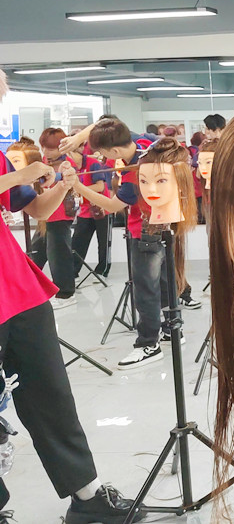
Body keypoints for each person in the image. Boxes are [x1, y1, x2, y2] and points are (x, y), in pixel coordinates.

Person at [0, 69, 142, 523]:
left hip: (17, 290)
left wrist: (61, 184)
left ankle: (87, 495)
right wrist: (21, 173)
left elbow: (33, 206)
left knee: (51, 395)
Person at [71, 119, 191, 370]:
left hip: (145, 232)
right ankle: (172, 330)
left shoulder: (134, 174)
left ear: (114, 150)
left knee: (145, 291)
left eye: (103, 153)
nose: (102, 158)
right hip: (166, 227)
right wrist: (79, 137)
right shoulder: (145, 143)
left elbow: (112, 205)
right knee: (165, 283)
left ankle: (148, 343)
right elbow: (111, 123)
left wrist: (78, 186)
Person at [30, 128, 78, 307]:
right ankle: (30, 287)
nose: (46, 152)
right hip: (44, 214)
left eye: (50, 148)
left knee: (59, 254)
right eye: (44, 147)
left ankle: (66, 293)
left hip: (60, 214)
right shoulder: (42, 162)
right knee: (35, 252)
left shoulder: (68, 164)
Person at [68, 137, 113, 282]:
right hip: (85, 209)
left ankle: (102, 271)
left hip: (102, 208)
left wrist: (78, 189)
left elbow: (100, 186)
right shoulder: (70, 167)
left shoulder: (93, 163)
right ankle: (72, 272)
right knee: (78, 242)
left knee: (103, 243)